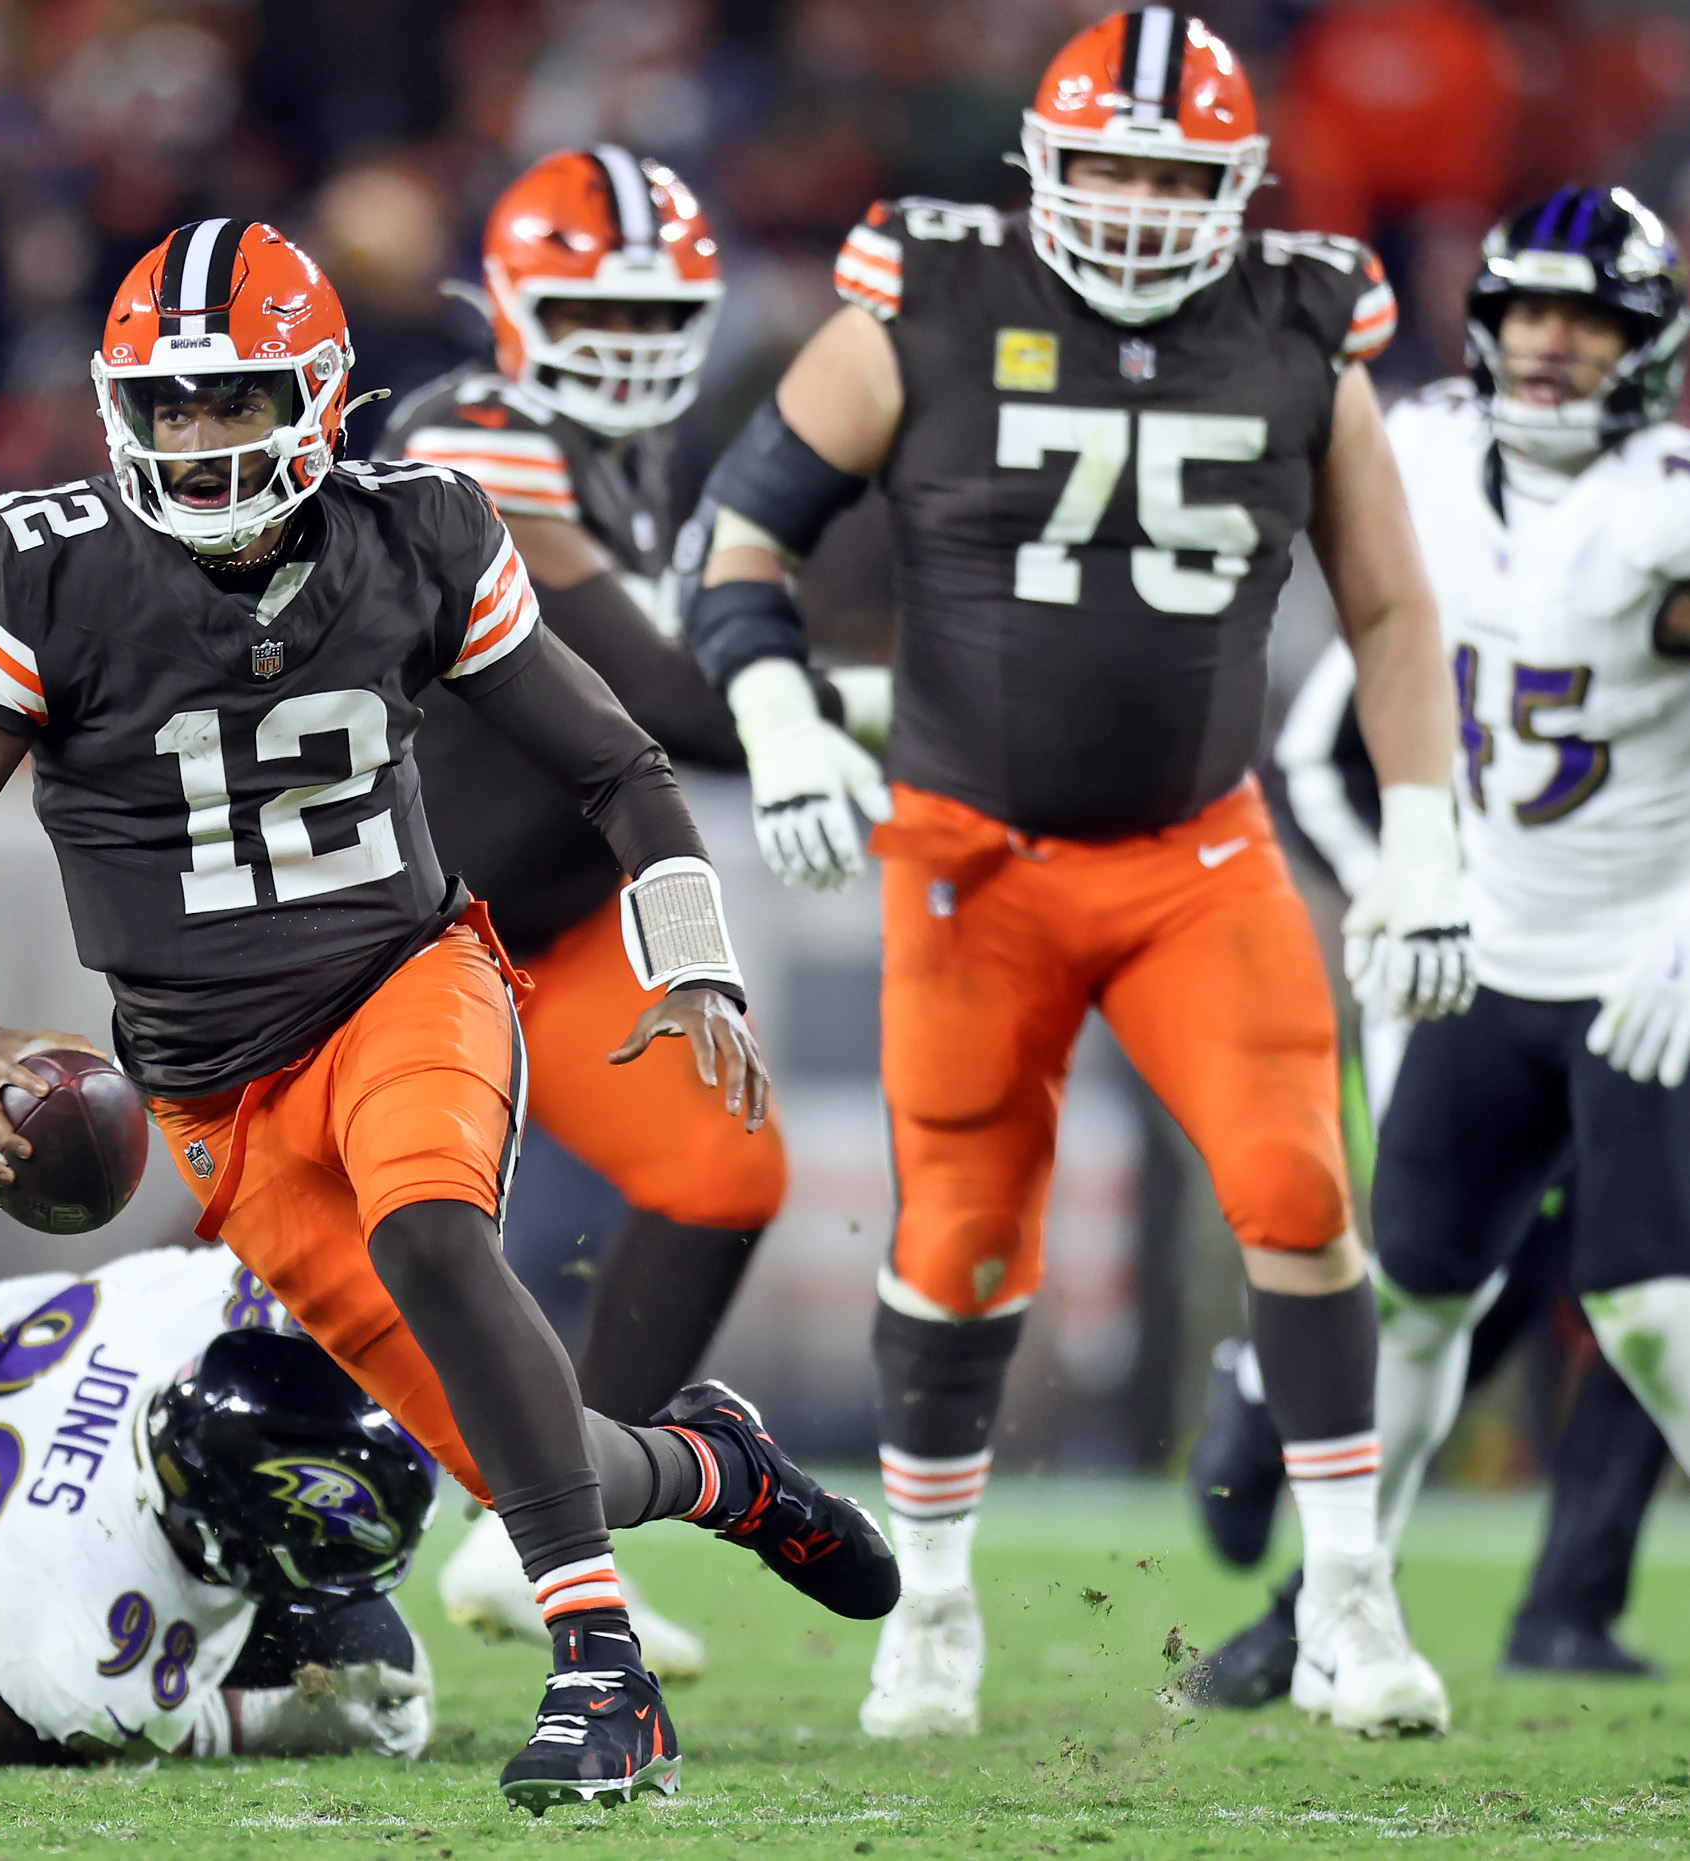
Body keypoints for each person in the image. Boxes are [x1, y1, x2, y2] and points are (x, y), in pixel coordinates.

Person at [0, 219, 896, 1812]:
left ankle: (602, 1686)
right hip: (216, 1094)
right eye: (173, 404)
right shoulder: (46, 568)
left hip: (407, 979)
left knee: (428, 1224)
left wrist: (692, 953)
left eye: (236, 399)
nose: (200, 441)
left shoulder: (414, 530)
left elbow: (621, 766)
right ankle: (715, 1465)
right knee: (528, 1458)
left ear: (324, 396)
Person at [686, 10, 1474, 1739]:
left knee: (1294, 1185)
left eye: (1169, 176)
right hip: (976, 854)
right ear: (1037, 171)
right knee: (963, 1235)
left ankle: (1349, 1597)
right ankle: (937, 1607)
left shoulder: (1297, 328)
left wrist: (1425, 837)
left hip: (1202, 853)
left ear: (1243, 196)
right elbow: (740, 537)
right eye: (1102, 166)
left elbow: (1395, 607)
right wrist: (783, 714)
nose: (1126, 203)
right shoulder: (930, 302)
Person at [1186, 186, 1690, 1697]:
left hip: (1638, 969)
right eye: (1530, 309)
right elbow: (1336, 723)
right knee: (1406, 1298)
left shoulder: (1665, 497)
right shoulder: (1414, 452)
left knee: (1654, 1315)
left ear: (1641, 345)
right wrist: (1396, 885)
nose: (1549, 342)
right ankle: (1334, 1613)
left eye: (1586, 318)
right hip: (1472, 957)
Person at [385, 146, 863, 1678]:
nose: (626, 342)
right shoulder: (469, 436)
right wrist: (869, 715)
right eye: (591, 306)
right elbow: (655, 700)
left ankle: (534, 1535)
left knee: (718, 1165)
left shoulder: (627, 456)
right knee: (318, 1273)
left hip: (557, 923)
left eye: (656, 311)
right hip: (392, 942)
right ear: (505, 307)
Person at [0, 1245, 440, 1763]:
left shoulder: (219, 1306)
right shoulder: (80, 1641)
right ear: (231, 1540)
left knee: (380, 1657)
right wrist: (239, 1721)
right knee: (387, 1697)